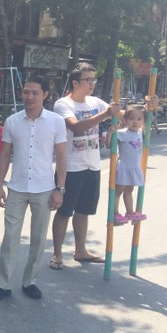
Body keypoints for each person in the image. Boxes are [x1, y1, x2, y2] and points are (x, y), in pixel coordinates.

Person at [0, 76, 67, 301]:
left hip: (44, 188)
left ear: (45, 95)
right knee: (10, 237)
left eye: (35, 93)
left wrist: (60, 188)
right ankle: (4, 285)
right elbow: (4, 155)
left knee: (39, 238)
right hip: (17, 188)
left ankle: (30, 281)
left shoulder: (56, 122)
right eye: (26, 92)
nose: (29, 97)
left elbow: (61, 156)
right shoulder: (12, 121)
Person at [50, 63, 119, 269]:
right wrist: (106, 114)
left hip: (92, 165)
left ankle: (80, 250)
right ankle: (57, 254)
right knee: (64, 212)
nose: (92, 83)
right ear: (75, 83)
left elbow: (124, 114)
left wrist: (145, 107)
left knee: (84, 211)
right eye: (88, 80)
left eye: (93, 79)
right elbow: (75, 127)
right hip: (71, 167)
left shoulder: (95, 102)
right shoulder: (63, 104)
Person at [105, 105, 147, 225]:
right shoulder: (122, 133)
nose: (135, 122)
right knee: (118, 191)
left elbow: (148, 115)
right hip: (124, 167)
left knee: (129, 190)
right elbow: (109, 146)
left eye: (139, 119)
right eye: (131, 119)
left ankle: (130, 212)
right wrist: (110, 134)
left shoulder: (140, 132)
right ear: (125, 120)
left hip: (134, 167)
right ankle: (115, 213)